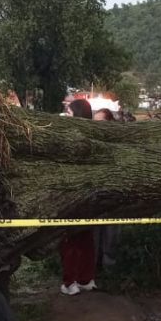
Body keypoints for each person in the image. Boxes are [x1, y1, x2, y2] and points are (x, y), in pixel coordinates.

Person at [59, 98, 98, 295]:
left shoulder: (72, 136)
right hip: (91, 194)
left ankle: (70, 282)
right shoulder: (95, 133)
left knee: (72, 240)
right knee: (85, 238)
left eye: (69, 112)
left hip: (74, 195)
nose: (66, 115)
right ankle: (85, 278)